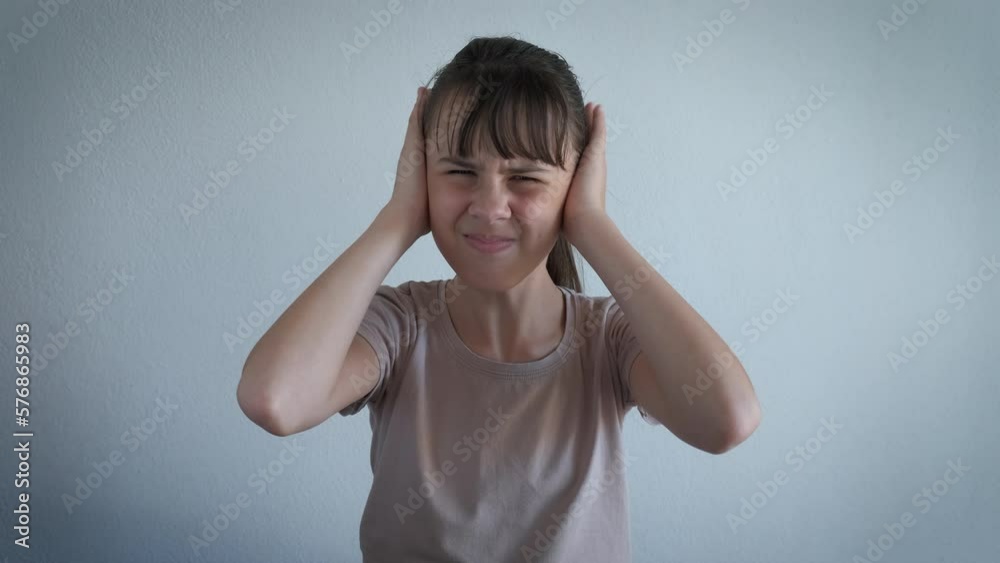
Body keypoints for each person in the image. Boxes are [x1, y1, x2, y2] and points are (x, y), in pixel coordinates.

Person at [237, 35, 761, 563]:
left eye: (526, 178)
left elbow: (727, 420)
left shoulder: (608, 338)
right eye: (460, 172)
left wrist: (593, 226)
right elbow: (275, 401)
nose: (489, 207)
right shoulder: (399, 327)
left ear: (575, 185)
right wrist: (396, 219)